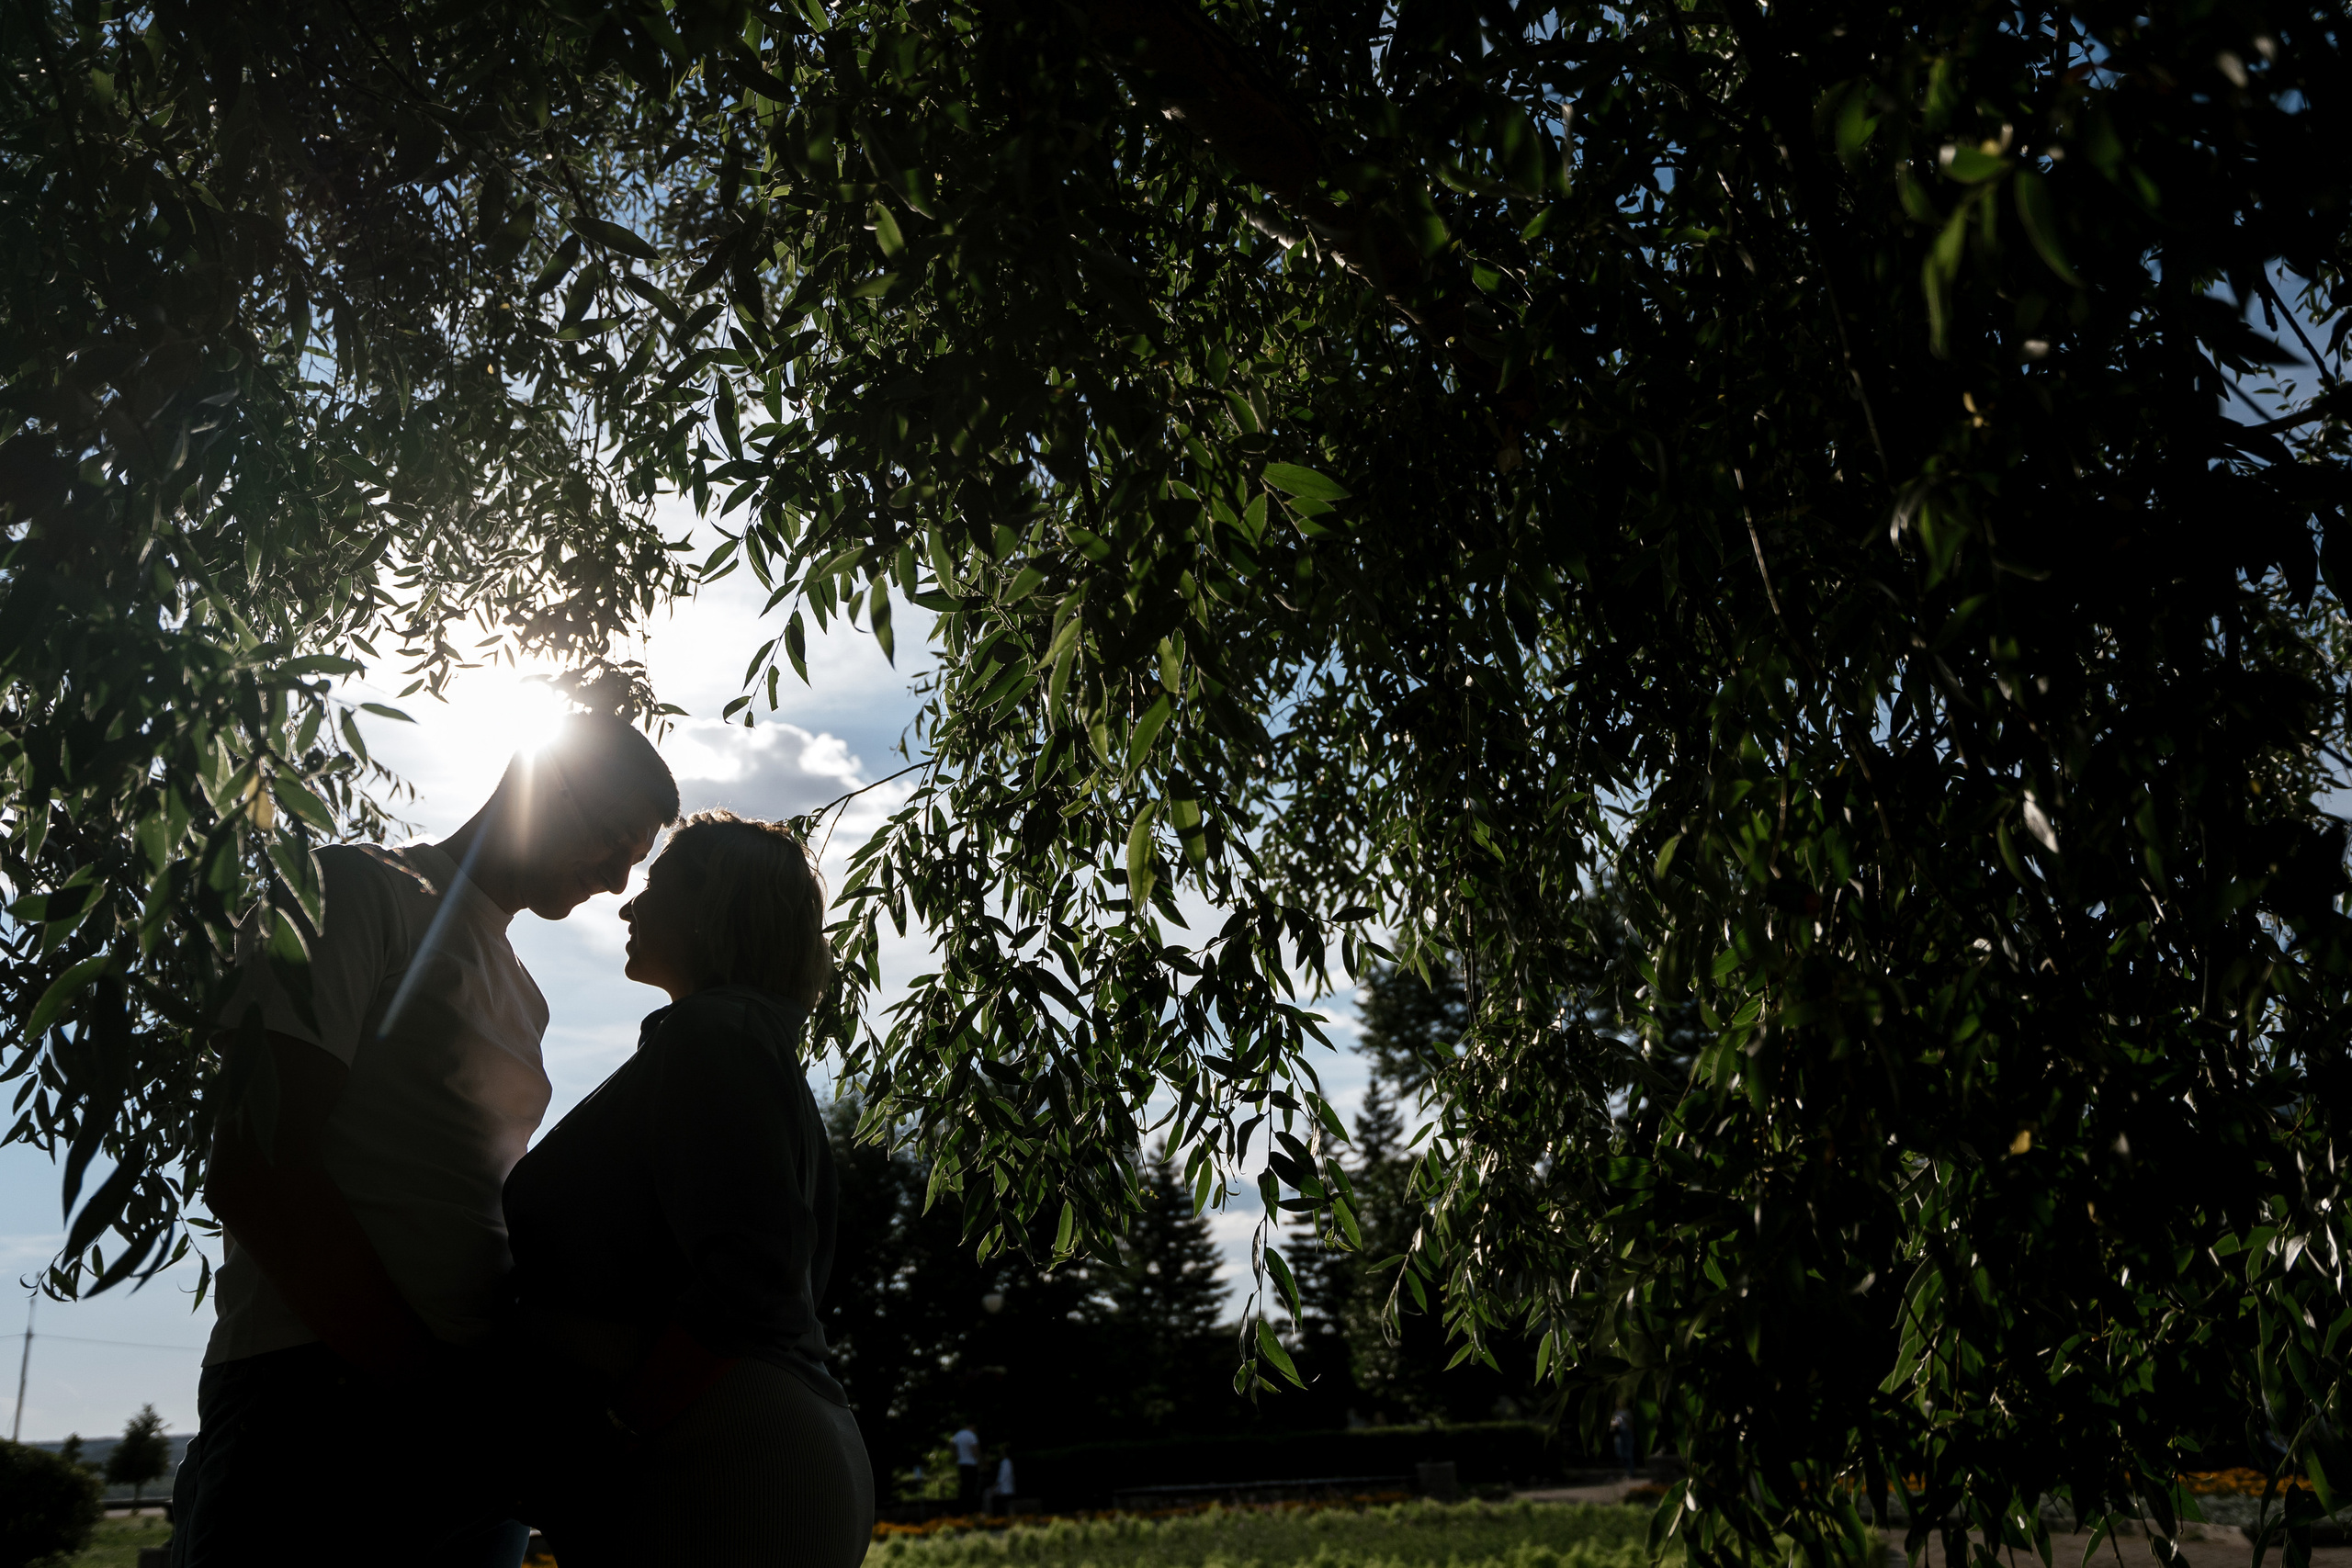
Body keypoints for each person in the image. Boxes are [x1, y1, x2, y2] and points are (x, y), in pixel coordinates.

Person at [170, 714, 678, 1568]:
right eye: (612, 838)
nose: (619, 875)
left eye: (637, 856)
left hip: (465, 1428)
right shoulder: (356, 887)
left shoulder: (524, 993)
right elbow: (257, 1165)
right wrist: (426, 1391)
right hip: (320, 1403)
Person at [501, 810, 873, 1568]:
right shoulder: (742, 1042)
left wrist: (618, 1425)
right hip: (733, 1444)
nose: (628, 905)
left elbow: (750, 1277)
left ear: (715, 908)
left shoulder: (716, 1036)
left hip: (718, 1457)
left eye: (656, 886)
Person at [951, 1422, 981, 1511]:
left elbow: (951, 1445)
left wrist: (956, 1455)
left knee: (964, 1487)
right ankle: (972, 1509)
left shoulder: (958, 1435)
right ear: (972, 1426)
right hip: (971, 1464)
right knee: (972, 1488)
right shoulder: (972, 1436)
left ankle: (962, 1508)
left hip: (962, 1464)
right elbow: (975, 1450)